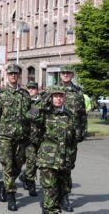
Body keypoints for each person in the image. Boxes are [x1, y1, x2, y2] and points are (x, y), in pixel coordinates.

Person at [28, 86, 79, 214]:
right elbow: (30, 115)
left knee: (62, 189)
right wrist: (43, 100)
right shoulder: (44, 113)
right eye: (55, 96)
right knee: (50, 190)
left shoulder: (69, 115)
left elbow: (73, 141)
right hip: (47, 159)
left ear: (65, 98)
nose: (58, 99)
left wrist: (71, 160)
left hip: (64, 159)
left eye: (61, 96)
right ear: (50, 98)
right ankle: (50, 209)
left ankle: (48, 207)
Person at [0, 64, 31, 211]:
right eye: (11, 73)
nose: (13, 76)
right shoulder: (0, 94)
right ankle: (11, 196)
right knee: (7, 165)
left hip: (22, 137)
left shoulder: (25, 94)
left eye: (15, 73)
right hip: (5, 136)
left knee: (17, 166)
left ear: (19, 75)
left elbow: (29, 116)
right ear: (7, 75)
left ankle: (4, 185)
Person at [57, 65, 86, 212]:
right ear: (60, 74)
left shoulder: (78, 92)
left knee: (67, 168)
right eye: (64, 73)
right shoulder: (52, 91)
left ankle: (65, 196)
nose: (66, 75)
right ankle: (53, 195)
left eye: (68, 73)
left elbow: (82, 115)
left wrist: (81, 132)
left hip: (70, 138)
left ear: (72, 75)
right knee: (53, 168)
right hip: (54, 138)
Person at [19, 81, 43, 197]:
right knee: (31, 161)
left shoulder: (42, 102)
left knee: (38, 162)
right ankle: (31, 182)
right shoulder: (23, 102)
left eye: (33, 88)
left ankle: (26, 177)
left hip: (41, 137)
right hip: (27, 137)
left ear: (37, 90)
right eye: (29, 88)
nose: (31, 90)